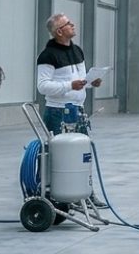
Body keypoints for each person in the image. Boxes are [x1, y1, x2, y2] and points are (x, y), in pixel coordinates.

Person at [36, 13, 107, 208]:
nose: (73, 25)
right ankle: (56, 197)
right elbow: (42, 86)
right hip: (58, 112)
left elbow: (80, 81)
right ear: (59, 31)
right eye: (68, 24)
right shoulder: (48, 56)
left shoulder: (77, 51)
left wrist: (91, 83)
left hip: (78, 111)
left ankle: (86, 193)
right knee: (59, 157)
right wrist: (69, 85)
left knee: (83, 154)